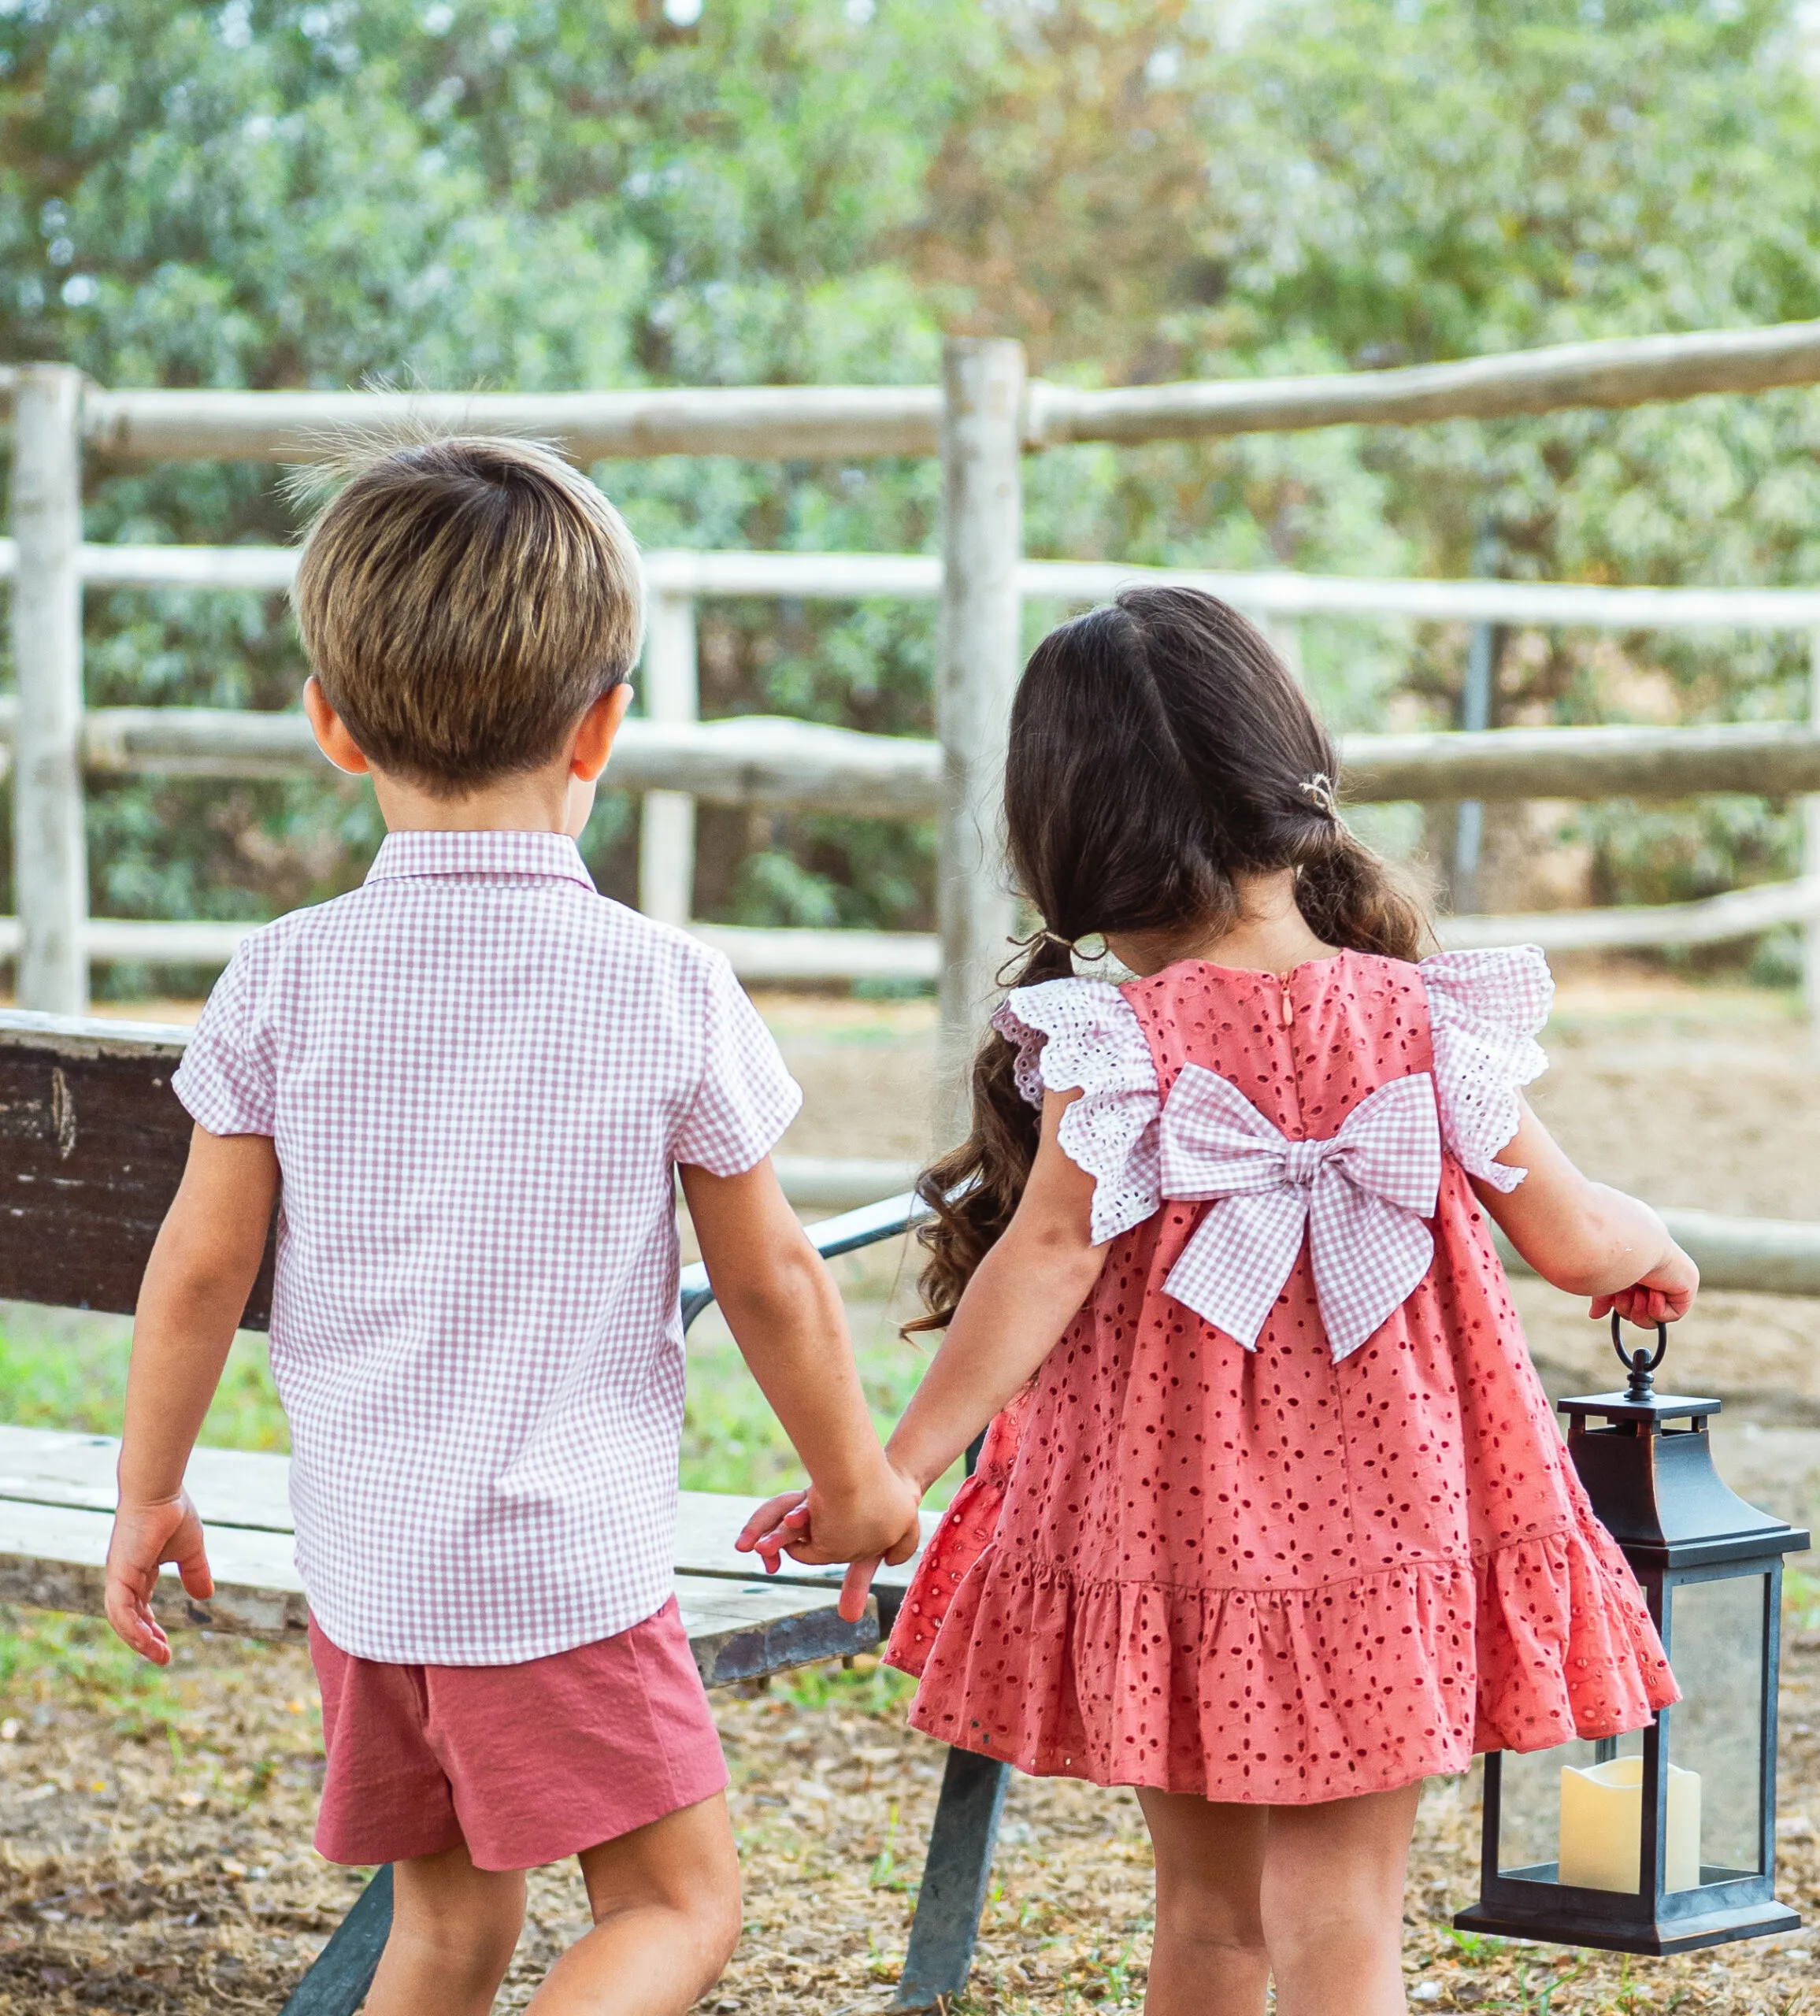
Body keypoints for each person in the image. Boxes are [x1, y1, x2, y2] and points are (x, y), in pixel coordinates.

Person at [740, 587, 1694, 2016]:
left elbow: (1044, 1259)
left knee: (1201, 1924)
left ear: (1072, 834)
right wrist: (1649, 1246)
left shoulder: (1115, 1040)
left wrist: (891, 1469)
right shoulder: (1424, 1020)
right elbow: (1566, 1236)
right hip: (1389, 1527)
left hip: (1176, 1529)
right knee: (1343, 1935)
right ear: (1289, 783)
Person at [102, 435, 919, 2016]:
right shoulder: (664, 985)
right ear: (606, 723)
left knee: (451, 1931)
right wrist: (858, 1478)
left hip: (375, 1565)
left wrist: (152, 1488)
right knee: (677, 1903)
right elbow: (772, 1281)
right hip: (559, 1572)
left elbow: (200, 1266)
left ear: (333, 727)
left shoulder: (281, 974)